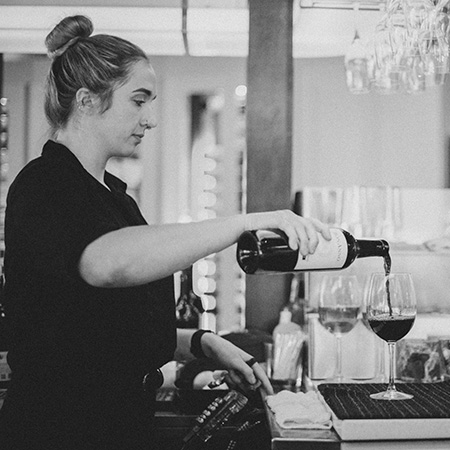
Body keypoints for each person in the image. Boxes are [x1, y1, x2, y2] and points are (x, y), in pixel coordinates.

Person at [0, 15, 331, 450]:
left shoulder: (116, 199)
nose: (150, 118)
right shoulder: (44, 184)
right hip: (60, 429)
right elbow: (105, 264)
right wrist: (243, 223)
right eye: (138, 100)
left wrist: (201, 341)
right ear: (86, 101)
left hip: (119, 424)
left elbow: (99, 327)